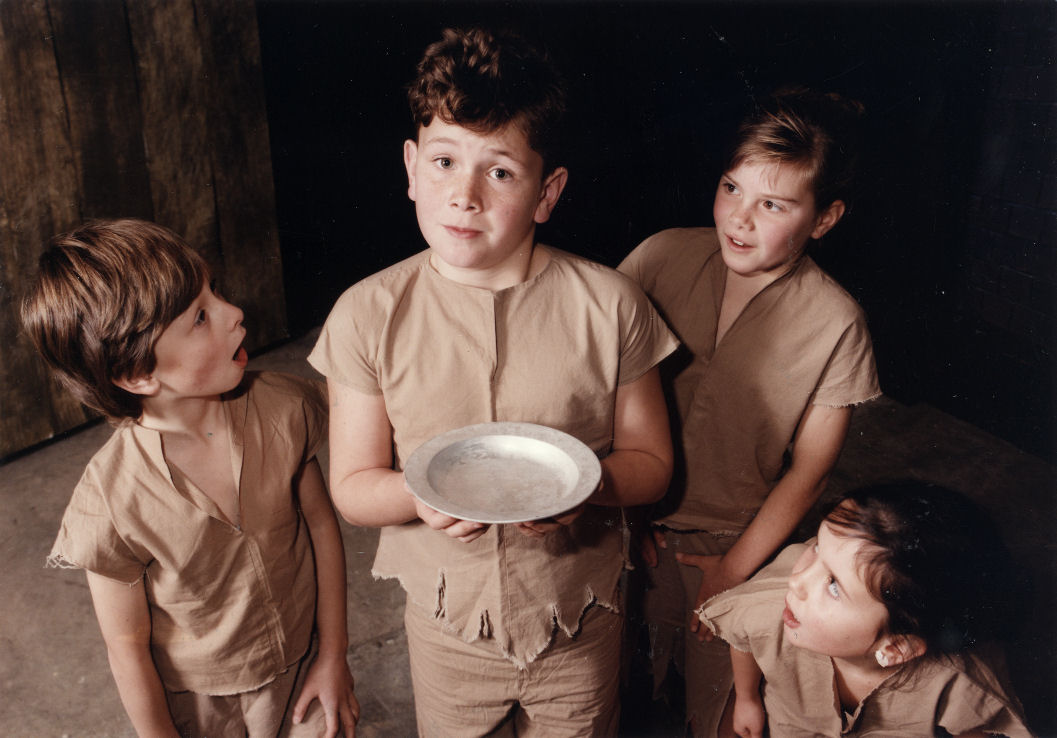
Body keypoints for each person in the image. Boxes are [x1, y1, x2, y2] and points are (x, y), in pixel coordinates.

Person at [308, 27, 677, 736]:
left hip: (579, 613)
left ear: (548, 191)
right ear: (411, 167)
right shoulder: (366, 314)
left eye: (500, 171)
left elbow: (652, 464)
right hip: (449, 621)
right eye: (444, 162)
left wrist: (587, 487)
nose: (465, 195)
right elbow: (353, 485)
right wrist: (419, 497)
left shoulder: (611, 304)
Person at [21, 219, 359, 737]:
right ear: (137, 374)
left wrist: (333, 656)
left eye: (215, 290)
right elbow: (126, 648)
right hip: (203, 708)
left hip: (303, 672)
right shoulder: (110, 499)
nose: (233, 312)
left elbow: (321, 526)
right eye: (200, 317)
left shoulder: (281, 408)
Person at [618, 87, 881, 735]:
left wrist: (734, 573)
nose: (739, 218)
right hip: (626, 520)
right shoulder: (658, 257)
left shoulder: (836, 322)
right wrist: (620, 508)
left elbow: (810, 472)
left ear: (823, 219)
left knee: (718, 704)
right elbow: (592, 389)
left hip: (732, 543)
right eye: (731, 188)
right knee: (614, 688)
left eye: (773, 204)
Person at [698, 480, 1034, 737]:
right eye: (816, 547)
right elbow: (745, 639)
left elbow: (979, 726)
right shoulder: (772, 607)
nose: (797, 580)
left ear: (897, 646)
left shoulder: (960, 680)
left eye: (833, 586)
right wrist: (747, 699)